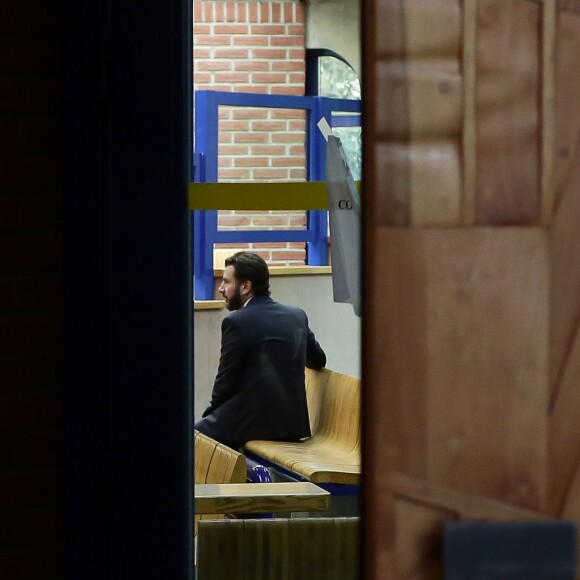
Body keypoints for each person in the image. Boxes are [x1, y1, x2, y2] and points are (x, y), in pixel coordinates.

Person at [194, 251, 327, 449]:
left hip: (250, 422)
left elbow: (225, 383)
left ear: (246, 286)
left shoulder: (236, 322)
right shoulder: (297, 316)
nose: (221, 289)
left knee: (190, 439)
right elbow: (318, 360)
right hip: (292, 425)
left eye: (226, 282)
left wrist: (210, 419)